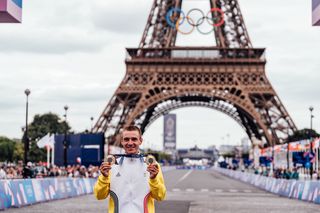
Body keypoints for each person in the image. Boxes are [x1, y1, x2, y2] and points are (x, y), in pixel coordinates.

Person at [94, 125, 166, 213]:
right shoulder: (111, 166)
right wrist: (104, 178)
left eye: (134, 139)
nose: (130, 143)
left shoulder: (152, 166)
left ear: (140, 141)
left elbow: (160, 196)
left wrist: (154, 179)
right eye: (126, 139)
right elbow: (99, 196)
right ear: (122, 141)